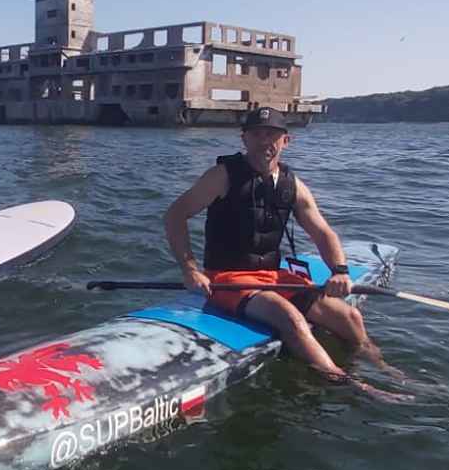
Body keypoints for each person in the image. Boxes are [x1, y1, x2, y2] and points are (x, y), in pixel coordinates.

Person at [164, 107, 400, 393]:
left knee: (350, 317)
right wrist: (190, 269)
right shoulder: (222, 176)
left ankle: (382, 366)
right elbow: (175, 215)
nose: (265, 141)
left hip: (274, 277)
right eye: (257, 134)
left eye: (272, 135)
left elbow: (323, 232)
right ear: (244, 139)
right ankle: (347, 382)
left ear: (286, 141)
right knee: (290, 318)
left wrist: (339, 271)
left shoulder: (293, 185)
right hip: (228, 280)